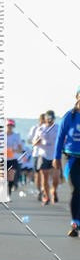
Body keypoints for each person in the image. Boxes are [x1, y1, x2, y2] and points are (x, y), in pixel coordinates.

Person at [53, 86, 80, 236]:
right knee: (76, 188)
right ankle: (74, 222)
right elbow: (59, 137)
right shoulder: (70, 116)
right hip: (70, 158)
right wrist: (56, 157)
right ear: (77, 97)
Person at [33, 111, 59, 205]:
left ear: (53, 118)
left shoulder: (57, 127)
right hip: (43, 155)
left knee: (56, 178)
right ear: (45, 119)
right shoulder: (40, 129)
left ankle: (54, 191)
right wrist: (37, 141)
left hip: (55, 156)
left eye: (51, 118)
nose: (49, 120)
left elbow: (63, 139)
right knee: (44, 177)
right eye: (48, 118)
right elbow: (34, 142)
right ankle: (46, 196)